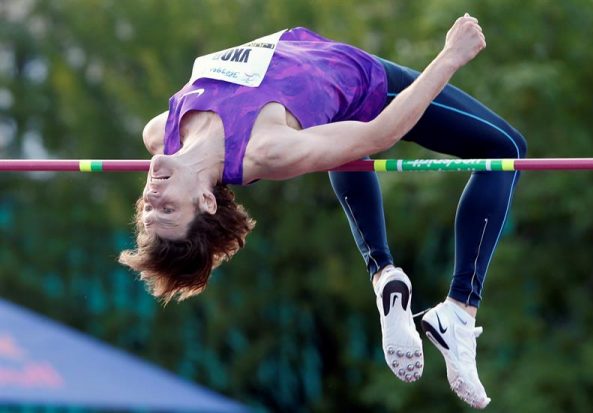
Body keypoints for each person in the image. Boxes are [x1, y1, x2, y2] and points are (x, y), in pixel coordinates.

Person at [119, 14, 526, 409]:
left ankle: (385, 274)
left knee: (336, 145)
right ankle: (458, 310)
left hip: (318, 68)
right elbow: (380, 132)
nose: (153, 195)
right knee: (507, 151)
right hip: (365, 82)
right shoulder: (265, 149)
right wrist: (450, 56)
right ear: (206, 202)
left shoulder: (161, 131)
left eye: (148, 208)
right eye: (168, 208)